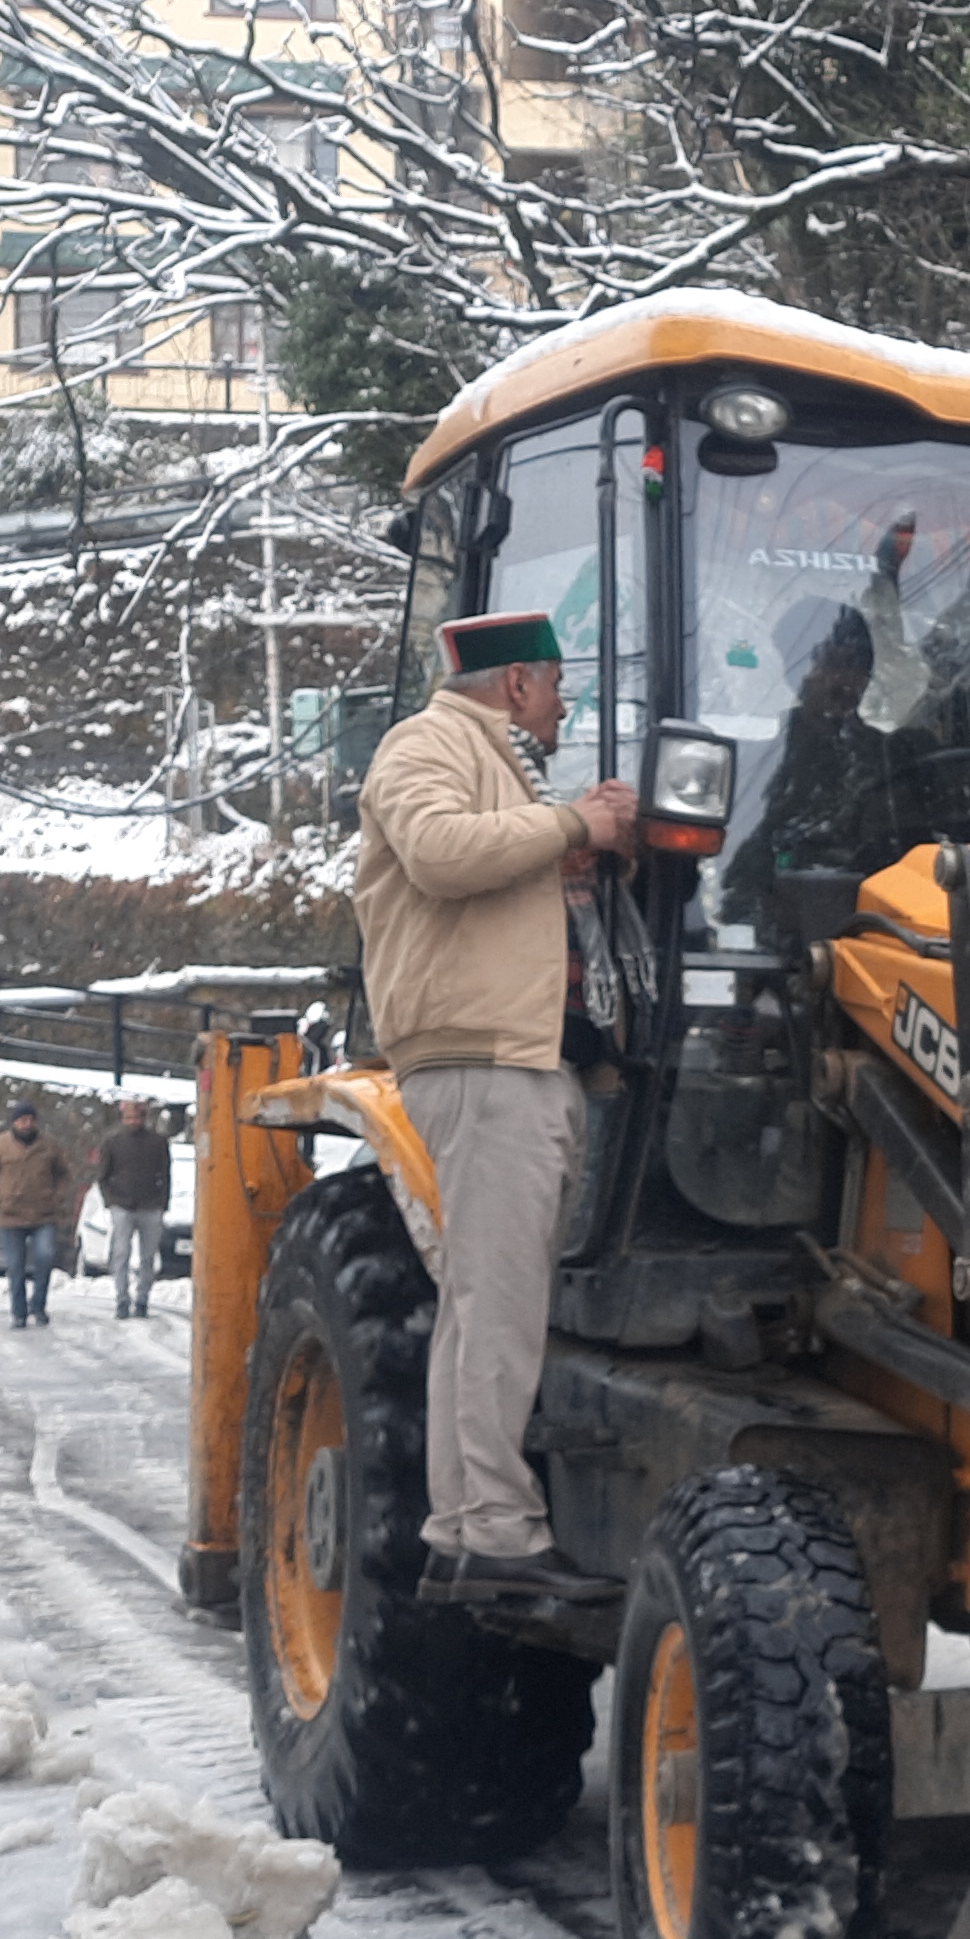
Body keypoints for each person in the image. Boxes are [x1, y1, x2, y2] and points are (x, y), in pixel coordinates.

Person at [356, 608, 637, 1604]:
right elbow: (437, 850)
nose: (566, 707)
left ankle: (476, 1521)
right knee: (496, 1301)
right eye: (556, 686)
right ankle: (491, 1531)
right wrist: (574, 825)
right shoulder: (426, 743)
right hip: (484, 1059)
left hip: (516, 1056)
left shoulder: (495, 762)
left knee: (493, 1297)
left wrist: (579, 849)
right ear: (516, 685)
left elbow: (491, 871)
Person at [0, 1100, 85, 1328]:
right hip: (11, 1215)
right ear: (14, 1122)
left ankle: (39, 1305)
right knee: (16, 1265)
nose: (27, 1124)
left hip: (43, 1214)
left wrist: (57, 1197)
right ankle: (19, 1311)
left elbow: (65, 1175)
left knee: (45, 1257)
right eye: (22, 1120)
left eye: (30, 1120)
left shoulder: (49, 1146)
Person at [93, 1098, 175, 1319]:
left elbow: (166, 1174)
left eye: (136, 1117)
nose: (133, 1121)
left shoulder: (157, 1142)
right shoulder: (113, 1142)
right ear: (123, 1119)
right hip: (122, 1206)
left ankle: (142, 1300)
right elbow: (103, 1175)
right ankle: (122, 1299)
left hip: (150, 1206)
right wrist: (110, 1201)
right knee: (121, 1254)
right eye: (129, 1118)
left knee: (148, 1257)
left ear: (144, 1118)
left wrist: (163, 1202)